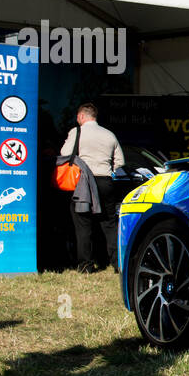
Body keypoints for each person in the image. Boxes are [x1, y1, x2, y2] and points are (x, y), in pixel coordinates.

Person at [60, 103, 125, 273]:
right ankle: (118, 263)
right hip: (105, 181)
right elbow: (120, 162)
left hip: (83, 183)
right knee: (109, 223)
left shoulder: (77, 132)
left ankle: (86, 265)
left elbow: (65, 153)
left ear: (81, 116)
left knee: (83, 225)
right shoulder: (109, 134)